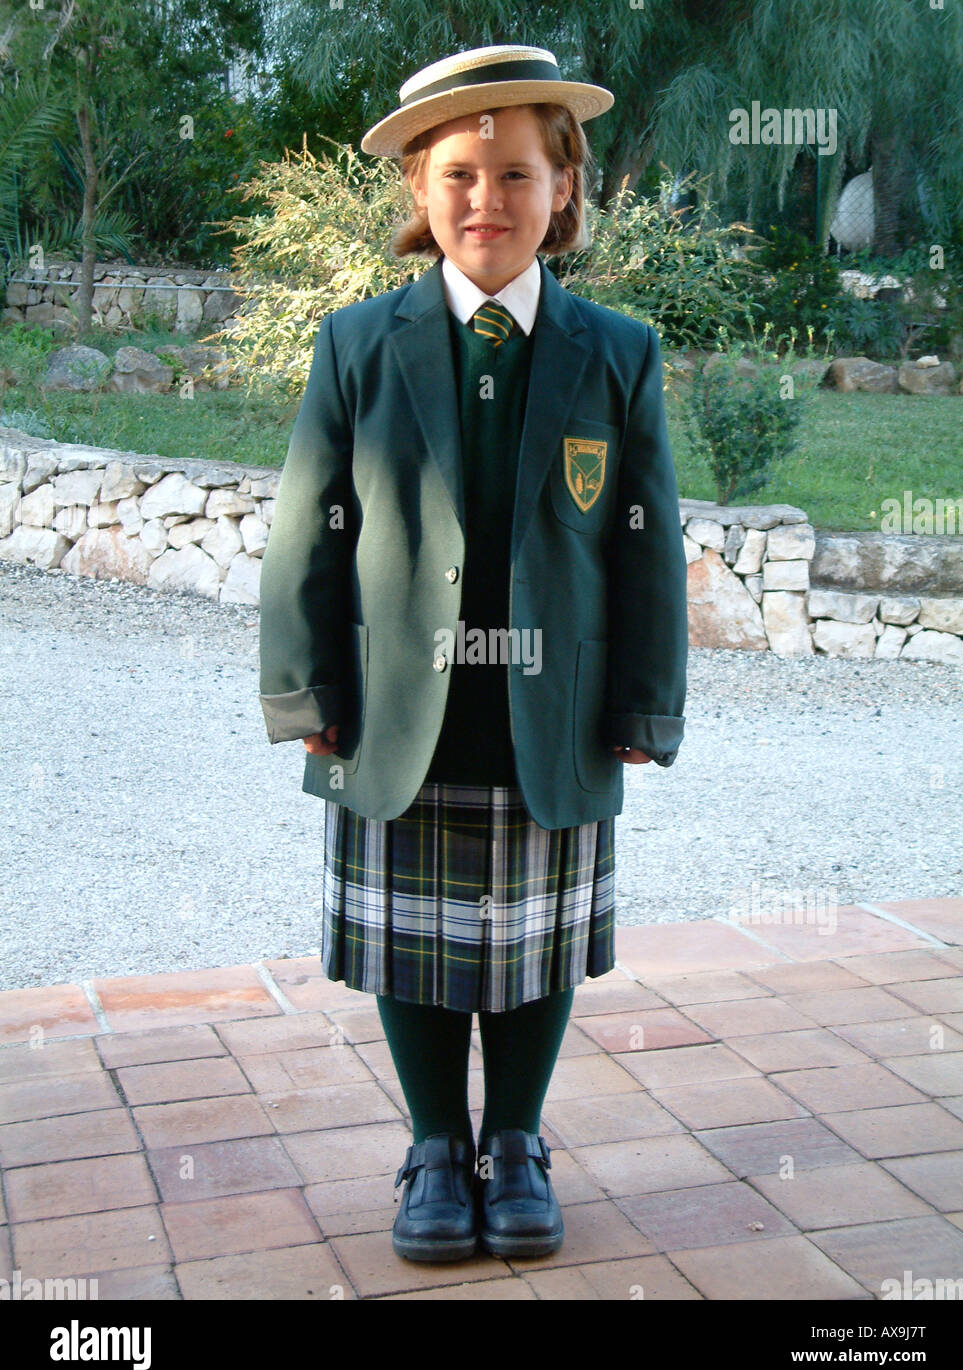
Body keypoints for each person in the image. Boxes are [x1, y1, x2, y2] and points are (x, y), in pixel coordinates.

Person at [258, 44, 688, 1264]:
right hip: (398, 708)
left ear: (564, 191)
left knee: (535, 938)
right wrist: (304, 690)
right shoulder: (357, 344)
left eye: (515, 173)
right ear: (417, 191)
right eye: (458, 173)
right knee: (415, 939)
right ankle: (436, 1146)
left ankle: (518, 1143)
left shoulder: (617, 353)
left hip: (554, 705)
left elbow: (649, 546)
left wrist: (647, 706)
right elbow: (303, 526)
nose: (485, 200)